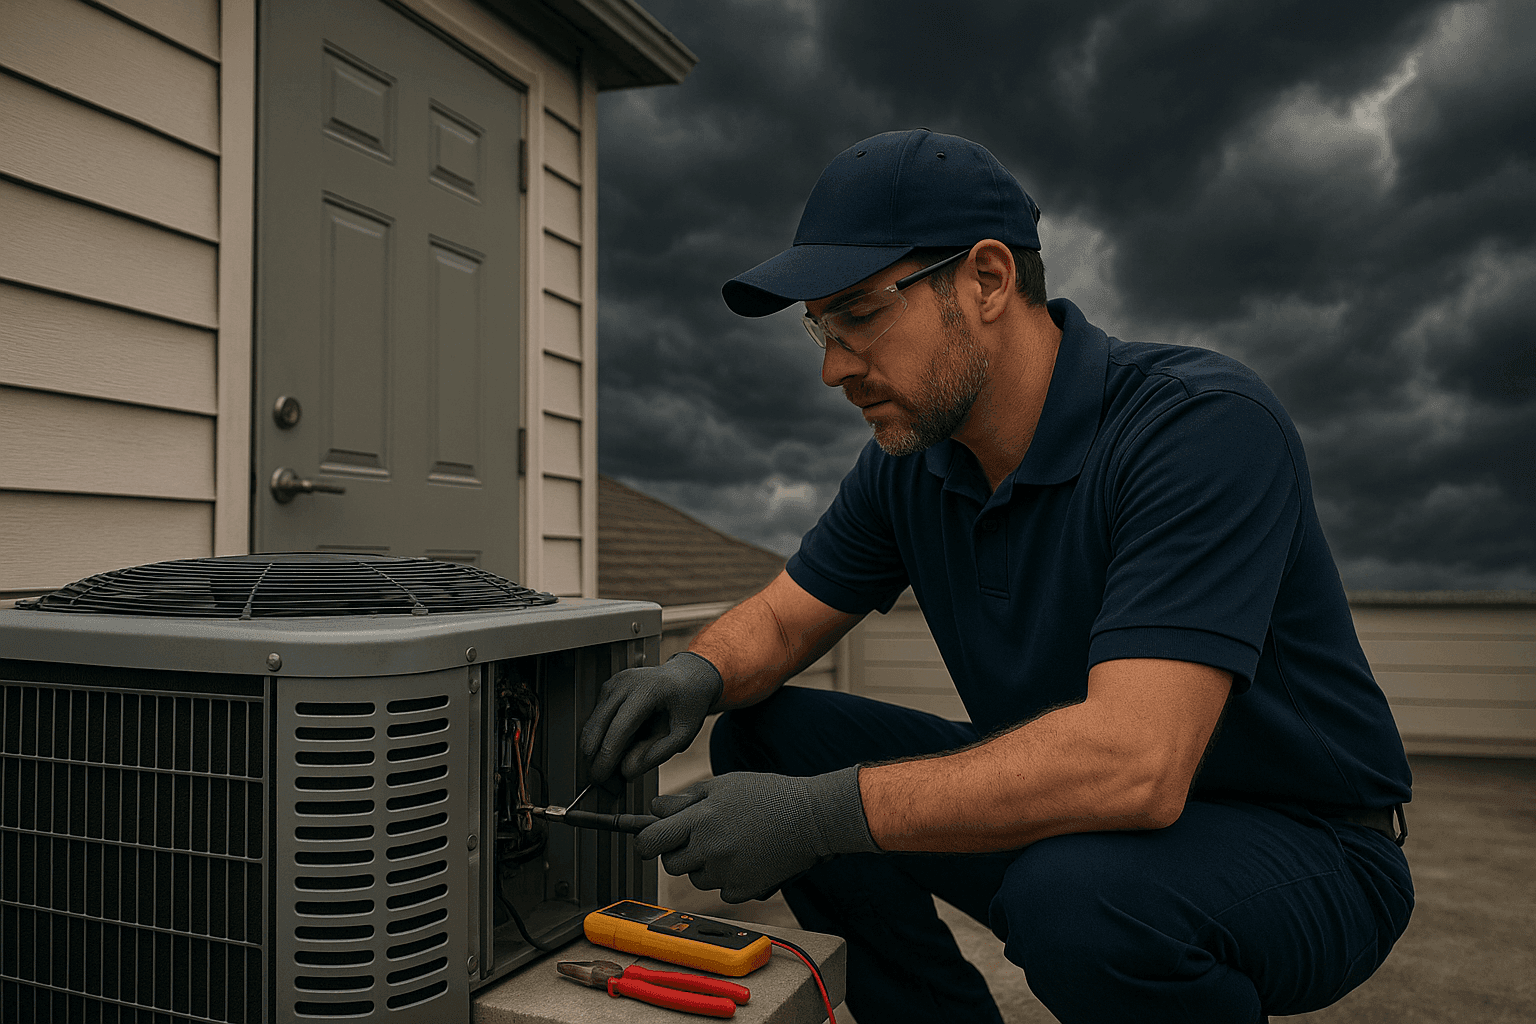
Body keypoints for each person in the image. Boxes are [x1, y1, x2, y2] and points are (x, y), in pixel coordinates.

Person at [580, 129, 1414, 1024]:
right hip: (1079, 818)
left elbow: (1138, 764)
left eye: (859, 313)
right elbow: (784, 625)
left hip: (1306, 847)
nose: (832, 367)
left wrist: (819, 818)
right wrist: (692, 675)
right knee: (768, 732)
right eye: (819, 327)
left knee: (1081, 900)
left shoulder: (1200, 429)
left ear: (985, 279)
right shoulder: (914, 463)